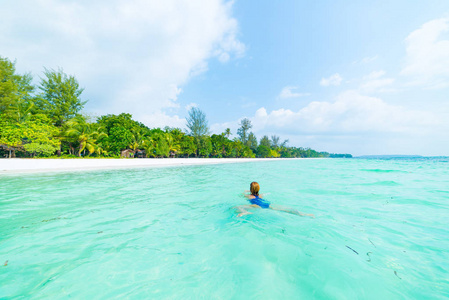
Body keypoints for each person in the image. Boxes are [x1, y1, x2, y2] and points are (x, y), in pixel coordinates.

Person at [236, 182, 314, 218]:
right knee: (287, 209)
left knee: (239, 207)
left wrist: (245, 191)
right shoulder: (261, 195)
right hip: (268, 204)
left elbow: (241, 195)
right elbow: (267, 193)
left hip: (256, 206)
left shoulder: (249, 196)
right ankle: (304, 214)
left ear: (250, 189)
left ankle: (245, 212)